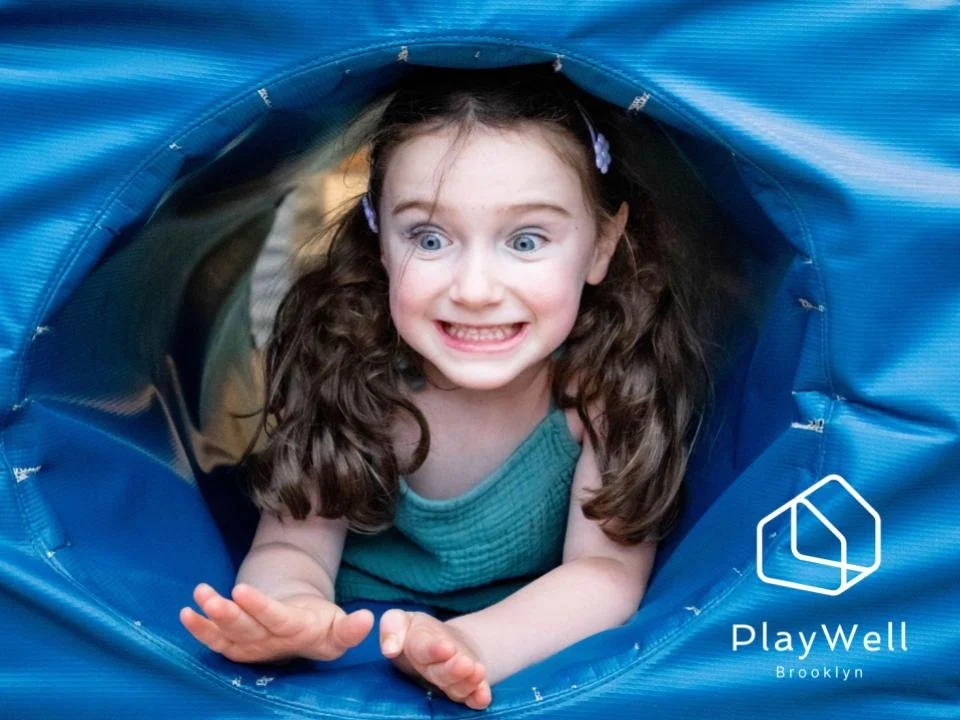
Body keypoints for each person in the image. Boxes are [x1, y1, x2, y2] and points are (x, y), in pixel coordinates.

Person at [179, 63, 736, 711]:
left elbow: (604, 575)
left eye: (526, 240)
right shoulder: (351, 364)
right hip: (359, 628)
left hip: (513, 637)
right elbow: (292, 542)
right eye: (430, 237)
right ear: (379, 240)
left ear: (601, 246)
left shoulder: (605, 386)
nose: (474, 289)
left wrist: (470, 643)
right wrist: (293, 612)